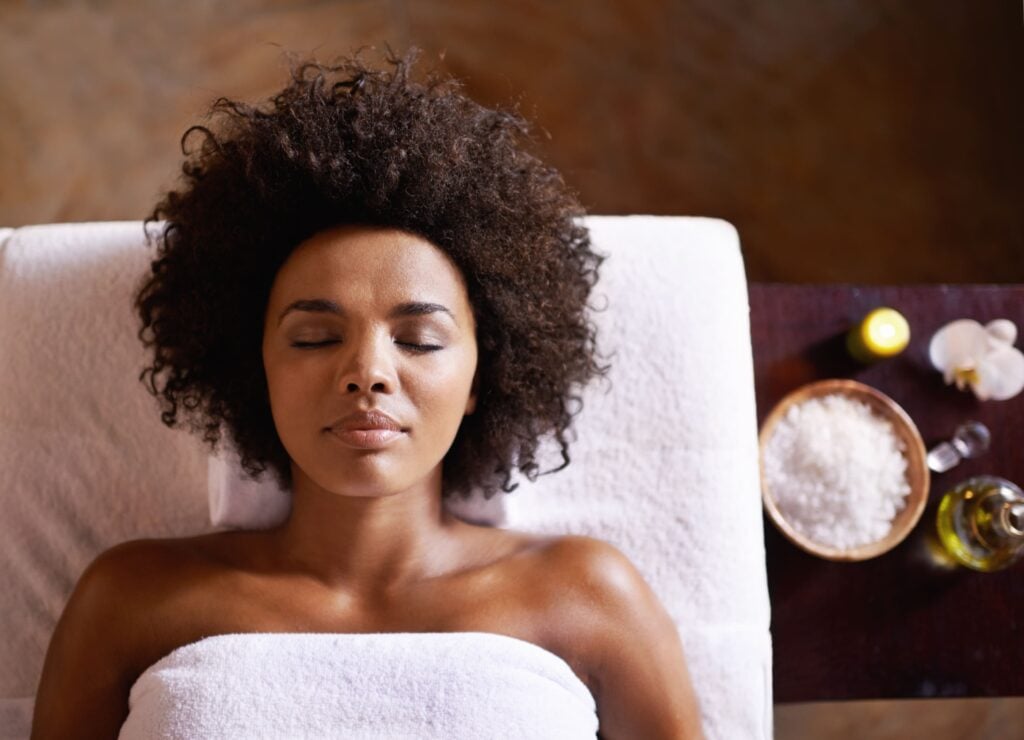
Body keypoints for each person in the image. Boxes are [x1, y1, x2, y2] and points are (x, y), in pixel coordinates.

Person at [31, 47, 704, 739]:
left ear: (484, 376)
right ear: (252, 365)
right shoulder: (132, 599)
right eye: (315, 338)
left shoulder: (585, 593)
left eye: (418, 340)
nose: (367, 372)